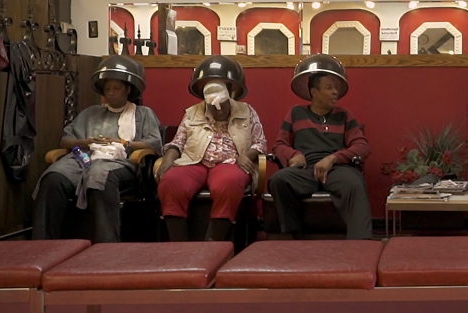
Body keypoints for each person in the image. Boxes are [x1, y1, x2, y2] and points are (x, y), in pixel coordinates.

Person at [32, 55, 162, 243]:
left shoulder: (142, 114)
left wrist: (123, 142)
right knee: (54, 177)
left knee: (99, 176)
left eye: (116, 88)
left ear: (128, 89)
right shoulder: (91, 113)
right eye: (107, 89)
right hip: (82, 158)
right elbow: (66, 141)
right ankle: (42, 244)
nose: (111, 93)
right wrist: (86, 142)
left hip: (120, 162)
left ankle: (106, 247)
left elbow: (154, 144)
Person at [155, 56, 266, 241]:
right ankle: (179, 246)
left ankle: (212, 244)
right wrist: (168, 158)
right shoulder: (192, 113)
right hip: (194, 161)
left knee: (228, 183)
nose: (218, 109)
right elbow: (178, 142)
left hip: (230, 163)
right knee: (171, 182)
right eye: (213, 105)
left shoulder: (247, 111)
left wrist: (246, 155)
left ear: (230, 94)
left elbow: (260, 142)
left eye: (222, 104)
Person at [268, 54, 372, 240]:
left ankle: (361, 243)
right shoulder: (296, 113)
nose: (335, 92)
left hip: (336, 168)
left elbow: (362, 146)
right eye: (329, 88)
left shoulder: (344, 115)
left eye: (336, 88)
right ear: (314, 93)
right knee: (278, 180)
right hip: (305, 168)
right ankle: (294, 234)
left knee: (355, 184)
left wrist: (333, 158)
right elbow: (279, 145)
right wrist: (294, 154)